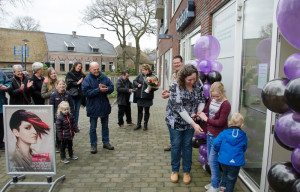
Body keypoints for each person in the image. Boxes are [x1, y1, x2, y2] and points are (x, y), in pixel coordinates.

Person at [166, 64, 206, 184]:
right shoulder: (175, 86)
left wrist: (199, 111)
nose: (192, 82)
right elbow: (179, 108)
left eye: (194, 78)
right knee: (176, 145)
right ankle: (175, 170)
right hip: (175, 120)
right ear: (183, 78)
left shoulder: (198, 83)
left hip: (191, 120)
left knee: (187, 146)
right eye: (189, 80)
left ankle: (187, 171)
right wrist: (194, 124)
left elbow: (201, 100)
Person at [198, 81, 231, 192]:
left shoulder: (226, 104)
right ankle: (214, 182)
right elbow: (207, 111)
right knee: (210, 159)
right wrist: (199, 115)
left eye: (218, 96)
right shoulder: (211, 100)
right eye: (213, 96)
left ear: (223, 93)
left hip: (219, 136)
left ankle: (215, 186)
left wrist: (206, 119)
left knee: (212, 161)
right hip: (210, 134)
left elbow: (221, 122)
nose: (215, 98)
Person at [81, 61, 115, 154]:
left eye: (98, 69)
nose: (96, 71)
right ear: (90, 69)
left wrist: (107, 89)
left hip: (104, 105)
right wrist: (98, 90)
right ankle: (93, 144)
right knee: (93, 127)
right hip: (93, 107)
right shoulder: (87, 79)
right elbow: (86, 92)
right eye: (94, 70)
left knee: (105, 126)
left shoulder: (104, 77)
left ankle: (106, 142)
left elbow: (112, 87)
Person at [213, 113, 247, 192]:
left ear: (229, 123)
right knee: (231, 179)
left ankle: (222, 189)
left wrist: (217, 150)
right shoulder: (243, 136)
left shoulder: (224, 133)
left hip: (223, 160)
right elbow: (244, 147)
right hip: (235, 162)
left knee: (225, 174)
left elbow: (216, 143)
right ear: (242, 125)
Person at [162, 55, 184, 151]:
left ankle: (182, 149)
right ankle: (173, 144)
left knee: (182, 127)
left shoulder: (186, 74)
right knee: (170, 124)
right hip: (172, 105)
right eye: (174, 63)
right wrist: (166, 91)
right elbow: (170, 86)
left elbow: (183, 91)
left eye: (178, 62)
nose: (176, 64)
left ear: (182, 62)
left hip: (182, 106)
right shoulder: (174, 74)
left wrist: (169, 94)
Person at [49, 78, 74, 152]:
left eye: (63, 84)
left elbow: (71, 105)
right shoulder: (53, 95)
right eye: (60, 84)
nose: (62, 86)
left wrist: (72, 114)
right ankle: (58, 145)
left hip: (66, 116)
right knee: (59, 131)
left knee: (67, 129)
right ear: (56, 86)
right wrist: (53, 116)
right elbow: (51, 106)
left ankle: (66, 144)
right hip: (58, 117)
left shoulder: (68, 94)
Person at [133, 64, 158, 131]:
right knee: (139, 111)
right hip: (140, 97)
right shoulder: (140, 75)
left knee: (146, 112)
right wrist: (137, 84)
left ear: (147, 70)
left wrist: (150, 89)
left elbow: (156, 87)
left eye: (143, 70)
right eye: (142, 70)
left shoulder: (152, 76)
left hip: (147, 97)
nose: (142, 71)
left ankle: (145, 125)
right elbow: (134, 81)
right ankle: (138, 124)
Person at [0, 71, 11, 150]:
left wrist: (6, 86)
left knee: (1, 125)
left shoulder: (1, 73)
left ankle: (1, 143)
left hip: (1, 104)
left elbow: (9, 83)